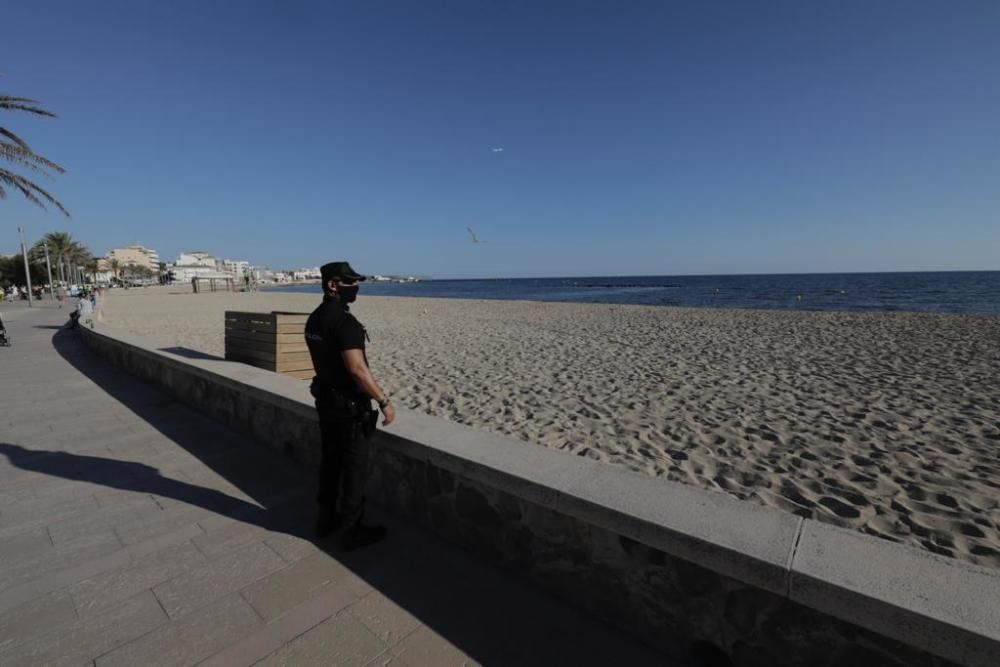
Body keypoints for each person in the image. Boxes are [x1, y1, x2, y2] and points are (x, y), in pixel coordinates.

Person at [304, 261, 396, 550]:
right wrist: (384, 401)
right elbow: (357, 369)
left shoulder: (315, 319)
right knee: (354, 469)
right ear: (333, 285)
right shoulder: (345, 323)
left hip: (325, 400)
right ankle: (350, 531)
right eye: (350, 283)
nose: (356, 288)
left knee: (330, 462)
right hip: (348, 406)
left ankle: (325, 520)